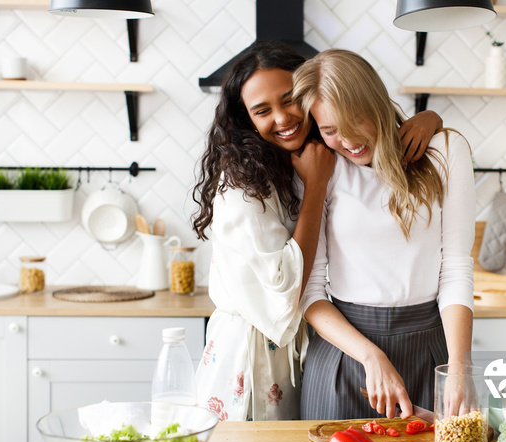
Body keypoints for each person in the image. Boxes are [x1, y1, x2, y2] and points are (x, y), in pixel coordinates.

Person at [191, 42, 443, 421]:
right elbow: (286, 287)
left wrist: (429, 119)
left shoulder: (311, 155)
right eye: (262, 111)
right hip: (250, 355)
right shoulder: (242, 186)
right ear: (246, 120)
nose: (281, 118)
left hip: (301, 349)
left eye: (290, 99)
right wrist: (317, 186)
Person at [292, 49, 475, 421]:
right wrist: (370, 356)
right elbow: (310, 291)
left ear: (376, 104)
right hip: (343, 359)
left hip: (429, 352)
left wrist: (459, 366)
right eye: (330, 130)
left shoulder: (445, 151)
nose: (348, 140)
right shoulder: (321, 167)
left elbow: (455, 269)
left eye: (356, 120)